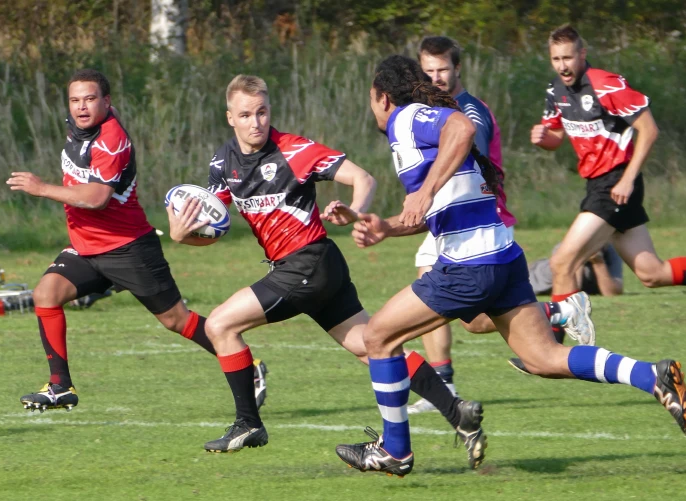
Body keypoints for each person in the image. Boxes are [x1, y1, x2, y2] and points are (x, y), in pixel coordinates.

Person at [334, 55, 686, 477]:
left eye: (370, 99)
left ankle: (395, 451)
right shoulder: (424, 126)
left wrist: (424, 190)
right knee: (543, 358)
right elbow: (444, 208)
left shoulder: (407, 118)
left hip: (469, 266)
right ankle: (649, 375)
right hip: (502, 257)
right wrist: (385, 228)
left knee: (377, 338)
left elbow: (462, 129)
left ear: (381, 96)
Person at [168, 75, 486, 468]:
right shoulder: (223, 162)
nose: (256, 122)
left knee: (219, 325)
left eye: (262, 112)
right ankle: (458, 413)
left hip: (308, 263)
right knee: (372, 347)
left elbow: (362, 177)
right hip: (311, 269)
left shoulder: (294, 149)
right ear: (230, 117)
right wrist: (184, 236)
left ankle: (248, 423)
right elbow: (212, 229)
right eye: (246, 114)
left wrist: (354, 209)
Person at [6, 69, 269, 414]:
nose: (81, 107)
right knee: (46, 294)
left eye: (90, 99)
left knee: (177, 320)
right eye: (75, 100)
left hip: (128, 248)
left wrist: (41, 189)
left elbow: (98, 197)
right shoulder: (78, 131)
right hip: (87, 248)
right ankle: (60, 386)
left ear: (106, 101)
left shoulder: (110, 139)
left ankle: (249, 368)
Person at [407, 36, 595, 415]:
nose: (437, 77)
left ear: (458, 69)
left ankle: (443, 384)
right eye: (429, 71)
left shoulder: (469, 110)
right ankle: (557, 313)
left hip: (483, 220)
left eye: (443, 69)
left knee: (433, 292)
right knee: (474, 323)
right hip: (452, 220)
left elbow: (468, 146)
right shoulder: (432, 107)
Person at [531, 25, 686, 314]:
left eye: (568, 58)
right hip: (599, 185)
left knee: (563, 262)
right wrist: (544, 139)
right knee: (652, 273)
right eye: (556, 59)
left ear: (582, 54)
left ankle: (551, 352)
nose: (563, 66)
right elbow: (556, 139)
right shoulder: (555, 91)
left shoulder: (605, 84)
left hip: (615, 184)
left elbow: (649, 130)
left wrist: (627, 179)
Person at [529, 244, 623, 297]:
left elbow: (612, 293)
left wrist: (598, 262)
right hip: (535, 278)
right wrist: (579, 259)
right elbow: (570, 291)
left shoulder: (610, 251)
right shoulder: (565, 247)